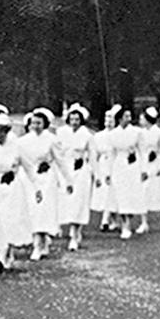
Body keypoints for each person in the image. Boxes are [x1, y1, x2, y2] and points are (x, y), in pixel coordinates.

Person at [0, 113, 34, 270]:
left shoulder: (16, 144)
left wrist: (37, 186)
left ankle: (3, 255)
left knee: (9, 221)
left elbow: (28, 166)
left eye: (2, 131)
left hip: (12, 187)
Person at [18, 108, 62, 260]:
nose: (35, 125)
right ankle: (37, 243)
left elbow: (60, 160)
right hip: (29, 179)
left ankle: (42, 242)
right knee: (32, 210)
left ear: (45, 124)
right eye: (33, 122)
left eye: (39, 123)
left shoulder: (51, 139)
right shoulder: (22, 141)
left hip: (47, 178)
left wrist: (68, 180)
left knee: (44, 210)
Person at [55, 104, 92, 251]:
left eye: (77, 119)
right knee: (64, 201)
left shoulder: (87, 135)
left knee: (78, 202)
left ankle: (75, 234)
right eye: (72, 119)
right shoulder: (61, 132)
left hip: (80, 170)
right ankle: (61, 228)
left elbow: (92, 154)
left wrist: (86, 165)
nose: (74, 122)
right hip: (64, 170)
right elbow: (58, 152)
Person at [109, 108, 148, 238]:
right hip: (119, 166)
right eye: (126, 116)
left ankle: (129, 222)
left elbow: (143, 151)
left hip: (133, 166)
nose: (129, 118)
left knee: (131, 194)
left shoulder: (137, 132)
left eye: (130, 116)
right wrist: (108, 172)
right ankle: (124, 225)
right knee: (121, 194)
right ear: (119, 118)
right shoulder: (113, 133)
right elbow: (111, 153)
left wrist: (144, 169)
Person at [139, 107, 160, 232]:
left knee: (159, 192)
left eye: (142, 118)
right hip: (144, 164)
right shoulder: (140, 133)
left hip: (155, 165)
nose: (140, 121)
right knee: (143, 192)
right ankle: (144, 222)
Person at [90, 107, 119, 231]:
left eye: (112, 118)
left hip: (115, 164)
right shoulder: (98, 136)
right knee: (105, 192)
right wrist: (94, 170)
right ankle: (110, 219)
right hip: (102, 164)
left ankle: (106, 220)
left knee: (113, 191)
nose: (109, 120)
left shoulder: (118, 134)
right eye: (107, 117)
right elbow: (94, 154)